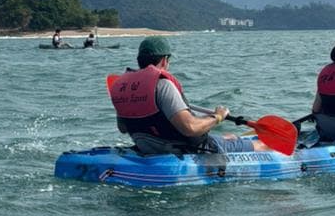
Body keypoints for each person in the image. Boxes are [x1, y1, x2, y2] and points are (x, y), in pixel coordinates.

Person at [108, 36, 265, 155]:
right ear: (164, 60)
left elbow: (123, 128)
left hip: (148, 146)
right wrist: (218, 117)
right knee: (262, 146)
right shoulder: (162, 85)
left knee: (226, 138)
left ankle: (230, 139)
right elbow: (190, 128)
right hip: (186, 148)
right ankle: (265, 147)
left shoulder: (122, 87)